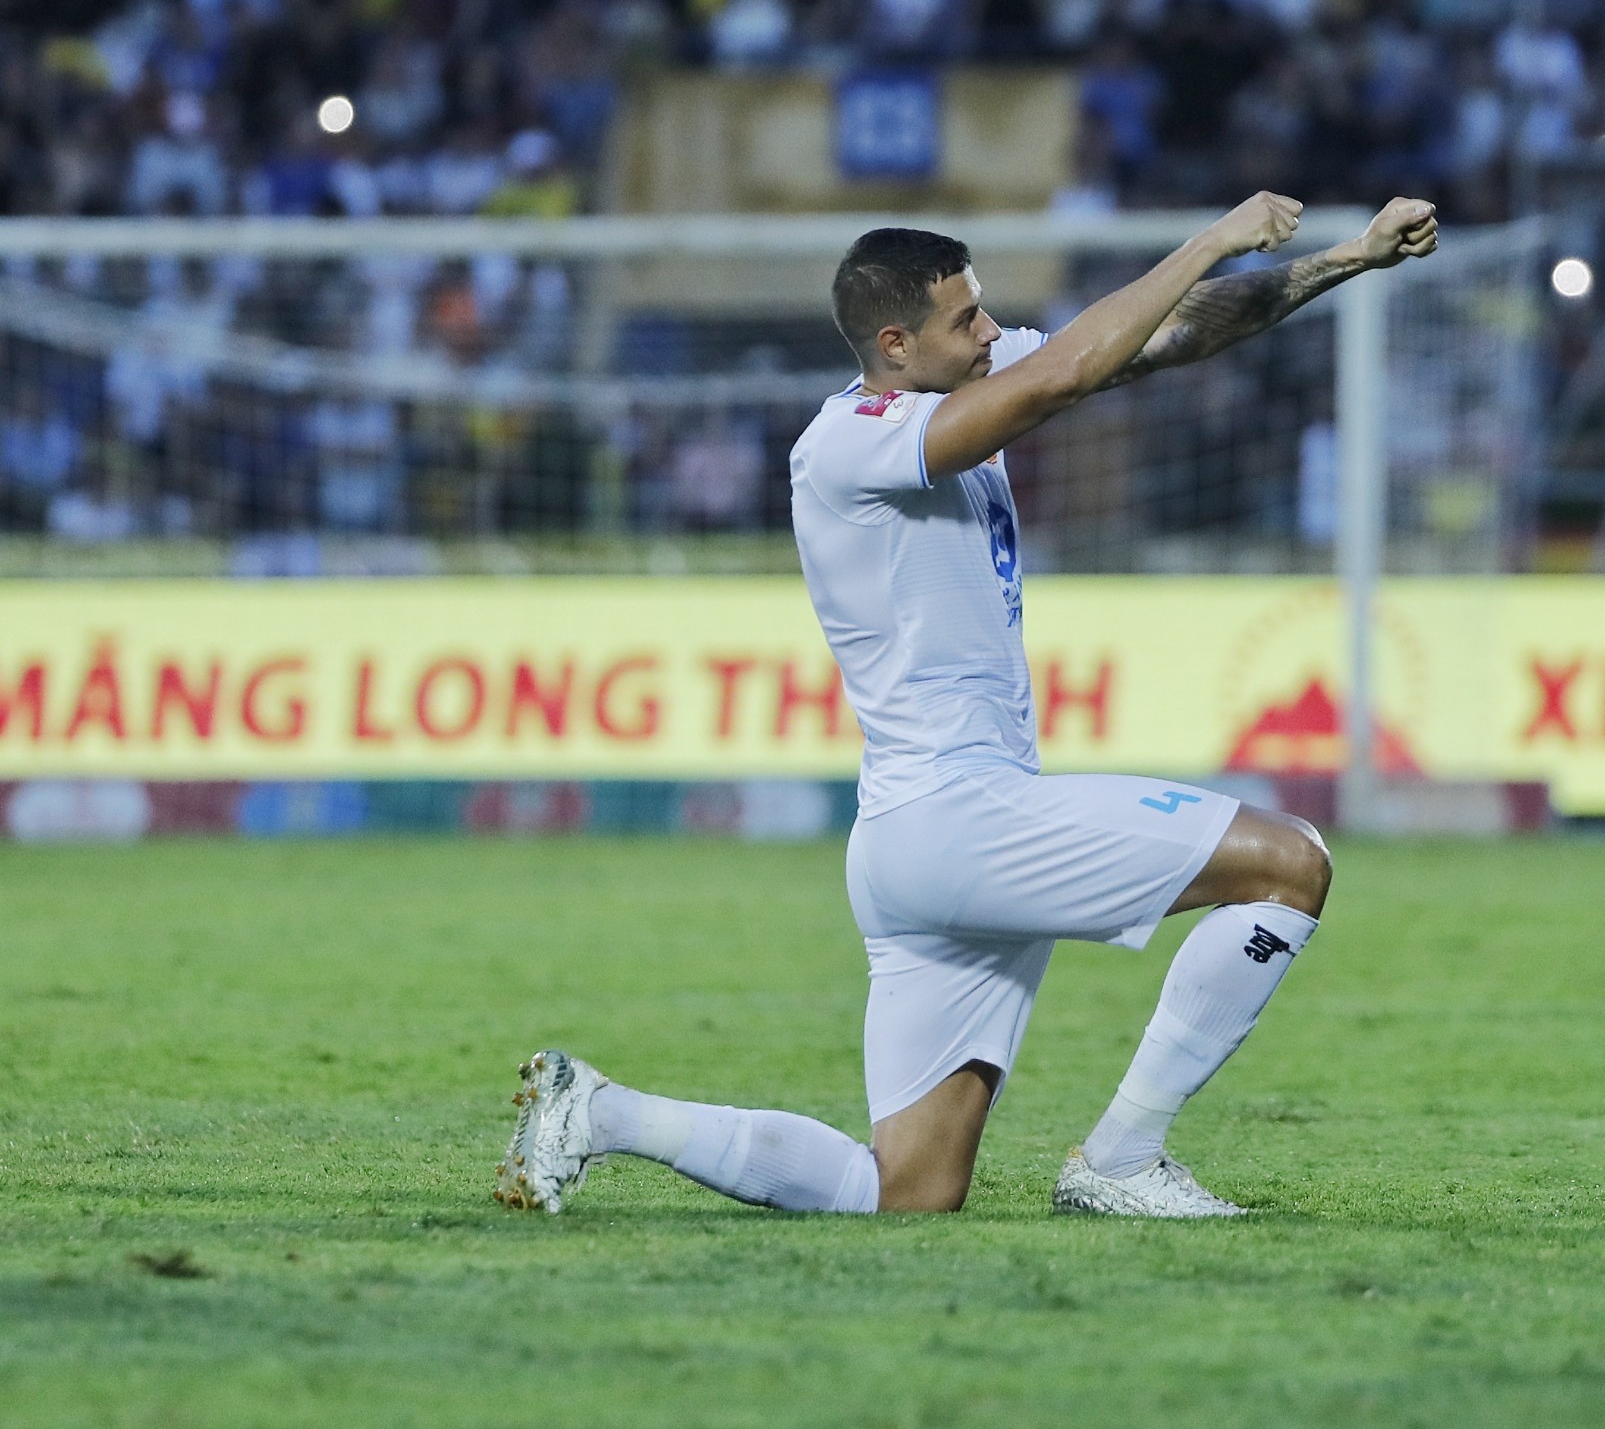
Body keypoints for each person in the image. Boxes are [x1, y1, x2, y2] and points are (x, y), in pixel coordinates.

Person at [498, 191, 1439, 1219]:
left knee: (906, 1191)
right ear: (895, 345)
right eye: (966, 319)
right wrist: (1210, 236)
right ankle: (1123, 1157)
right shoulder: (849, 442)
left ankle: (598, 1113)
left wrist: (1346, 258)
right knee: (1290, 863)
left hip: (917, 840)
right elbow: (1070, 370)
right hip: (961, 817)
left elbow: (1170, 334)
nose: (990, 333)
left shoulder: (960, 383)